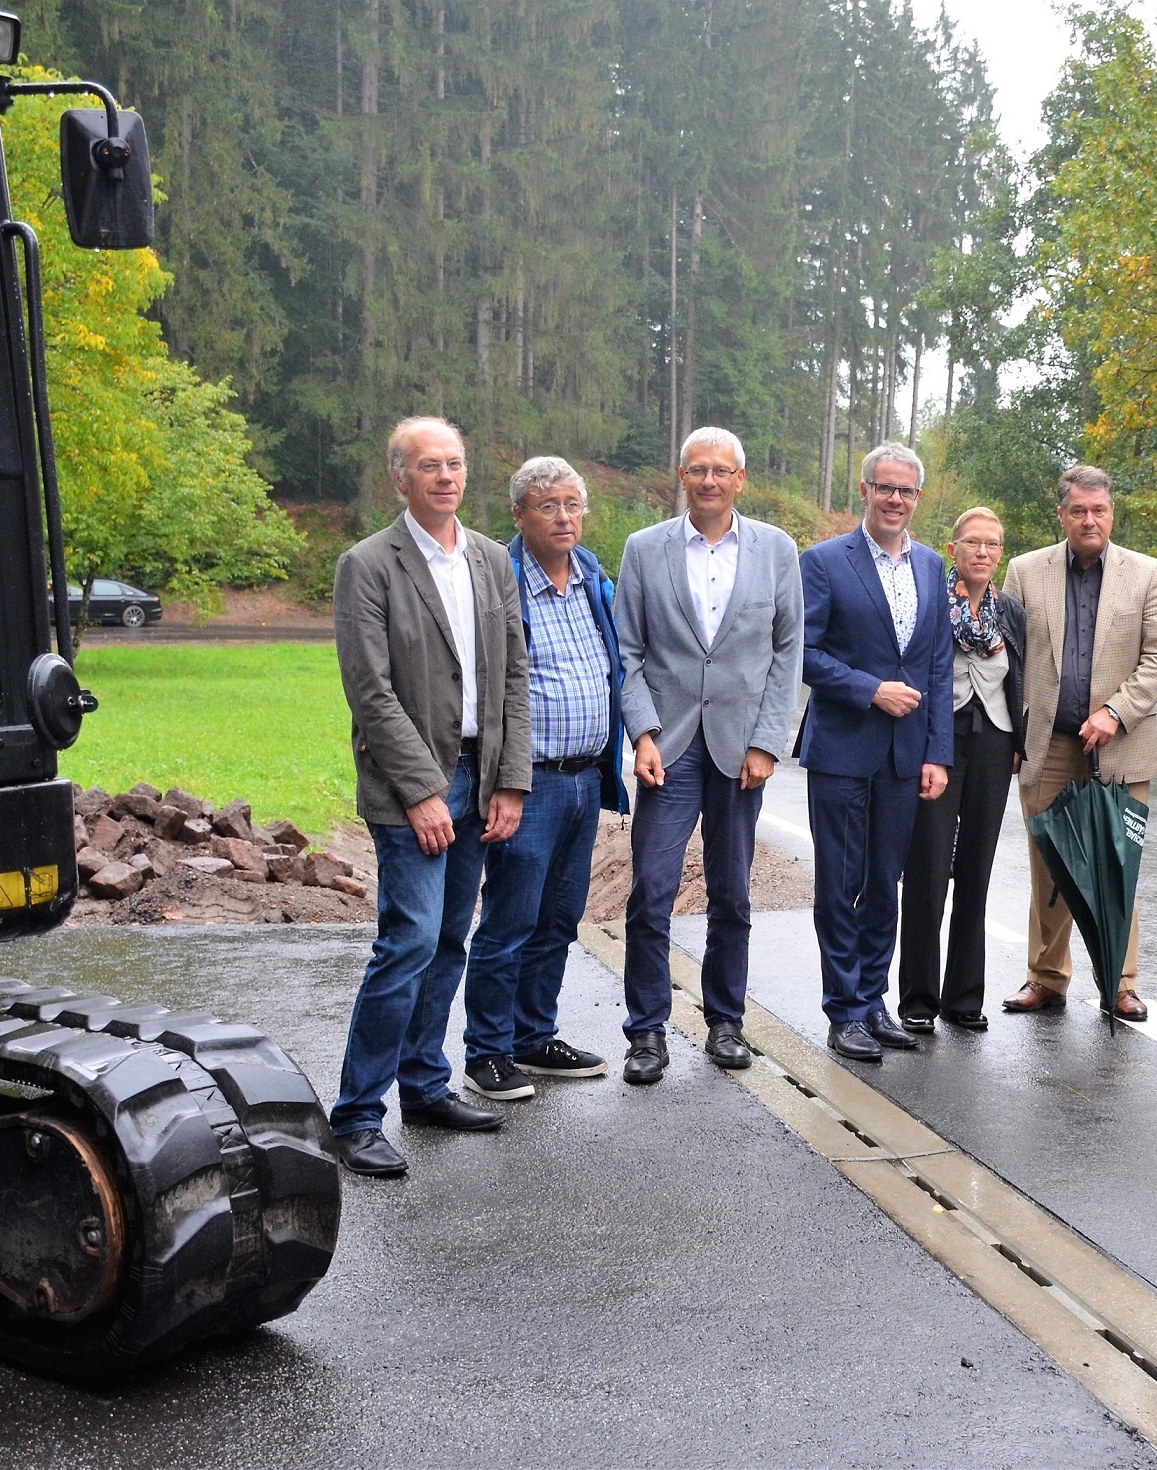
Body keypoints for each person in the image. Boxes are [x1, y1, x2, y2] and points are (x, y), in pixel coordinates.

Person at [329, 417, 531, 1178]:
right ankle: (356, 1115)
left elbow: (514, 674)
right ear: (400, 478)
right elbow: (369, 690)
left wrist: (510, 780)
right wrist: (420, 791)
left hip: (481, 775)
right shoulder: (367, 565)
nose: (445, 476)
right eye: (428, 466)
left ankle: (423, 1087)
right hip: (409, 781)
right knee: (408, 941)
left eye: (455, 463)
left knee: (450, 939)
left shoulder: (489, 559)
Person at [612, 426, 803, 1085]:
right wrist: (642, 733)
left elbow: (787, 651)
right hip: (667, 748)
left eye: (722, 470)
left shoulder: (776, 550)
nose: (710, 480)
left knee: (731, 894)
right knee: (651, 891)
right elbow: (628, 652)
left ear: (740, 479)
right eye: (698, 469)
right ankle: (645, 1031)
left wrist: (767, 742)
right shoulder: (644, 549)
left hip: (741, 749)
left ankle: (725, 1022)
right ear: (682, 476)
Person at [455, 457, 629, 1103]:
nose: (562, 517)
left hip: (585, 778)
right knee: (511, 919)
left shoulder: (593, 580)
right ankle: (487, 1051)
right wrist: (502, 777)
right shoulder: (496, 581)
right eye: (547, 505)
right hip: (527, 782)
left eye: (571, 505)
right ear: (519, 515)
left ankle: (534, 1036)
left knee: (560, 918)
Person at [999, 466, 1157, 1019]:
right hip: (1048, 745)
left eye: (1098, 510)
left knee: (1116, 864)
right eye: (1078, 510)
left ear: (1111, 513)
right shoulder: (1025, 571)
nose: (1089, 520)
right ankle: (1046, 977)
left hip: (1122, 746)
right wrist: (1012, 734)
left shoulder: (1146, 573)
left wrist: (1115, 712)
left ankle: (1120, 981)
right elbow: (1007, 660)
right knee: (1049, 866)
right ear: (1062, 515)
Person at [797, 444, 953, 1061]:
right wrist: (870, 690)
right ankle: (844, 1011)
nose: (894, 499)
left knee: (885, 885)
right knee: (841, 886)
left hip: (904, 757)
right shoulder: (824, 562)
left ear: (918, 498)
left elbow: (938, 665)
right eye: (884, 488)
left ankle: (872, 1000)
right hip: (841, 749)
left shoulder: (932, 566)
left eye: (905, 491)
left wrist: (937, 753)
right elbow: (804, 652)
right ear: (864, 491)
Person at [899, 506, 1026, 1033]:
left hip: (995, 739)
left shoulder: (1010, 610)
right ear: (953, 550)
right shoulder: (931, 601)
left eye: (992, 544)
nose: (982, 551)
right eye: (972, 542)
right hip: (940, 740)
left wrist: (1019, 742)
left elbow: (1019, 676)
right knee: (928, 866)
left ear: (1001, 554)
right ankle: (918, 999)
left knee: (977, 866)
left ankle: (964, 997)